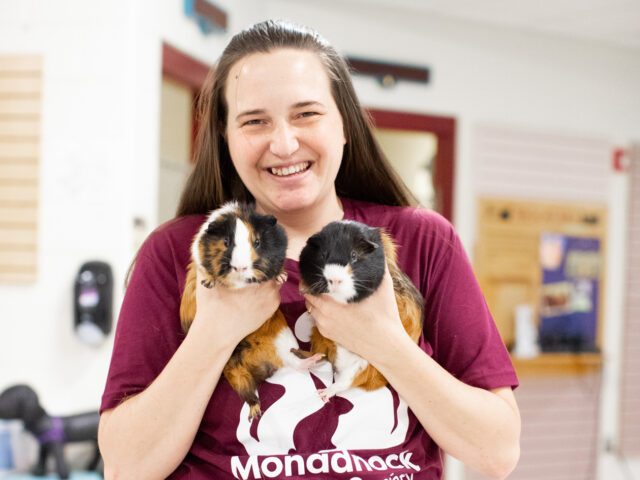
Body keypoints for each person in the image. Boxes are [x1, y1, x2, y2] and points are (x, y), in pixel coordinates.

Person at [98, 19, 520, 480]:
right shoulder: (177, 252)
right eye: (254, 121)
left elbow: (497, 452)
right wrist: (214, 331)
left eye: (306, 114)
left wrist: (385, 341)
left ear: (344, 125)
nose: (283, 143)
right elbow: (126, 468)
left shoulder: (424, 243)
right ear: (226, 136)